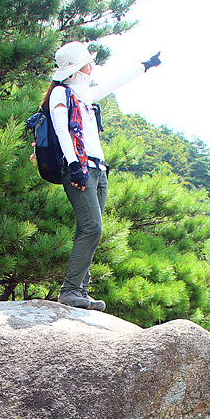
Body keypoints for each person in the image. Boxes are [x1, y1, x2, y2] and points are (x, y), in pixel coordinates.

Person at [45, 41, 161, 311]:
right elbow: (62, 131)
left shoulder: (85, 95)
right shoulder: (60, 93)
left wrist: (144, 66)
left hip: (99, 169)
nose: (92, 66)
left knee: (90, 230)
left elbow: (115, 81)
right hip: (79, 168)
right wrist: (74, 164)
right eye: (88, 62)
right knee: (92, 227)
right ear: (77, 68)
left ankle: (81, 292)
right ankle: (70, 291)